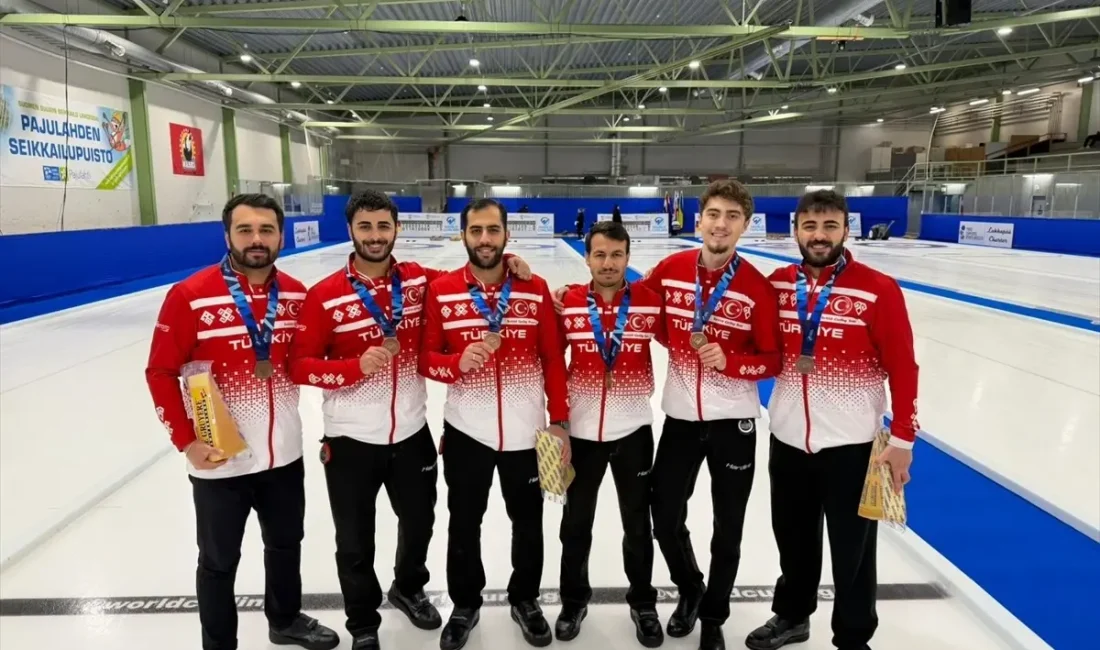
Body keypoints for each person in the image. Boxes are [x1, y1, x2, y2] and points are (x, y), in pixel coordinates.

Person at [287, 190, 531, 650]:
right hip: (351, 440)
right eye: (366, 227)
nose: (375, 236)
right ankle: (362, 622)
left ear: (396, 229)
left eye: (383, 226)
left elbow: (474, 274)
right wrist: (350, 369)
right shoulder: (324, 296)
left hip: (412, 434)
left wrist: (510, 259)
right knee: (355, 539)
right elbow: (299, 365)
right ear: (351, 231)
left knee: (420, 523)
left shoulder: (421, 282)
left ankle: (408, 587)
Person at [145, 193, 340, 650]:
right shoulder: (190, 295)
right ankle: (219, 643)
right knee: (217, 561)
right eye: (246, 230)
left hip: (283, 454)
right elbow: (159, 372)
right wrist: (187, 442)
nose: (257, 240)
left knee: (286, 544)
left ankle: (285, 619)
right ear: (227, 234)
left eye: (266, 230)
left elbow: (314, 357)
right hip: (219, 460)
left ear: (281, 235)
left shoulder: (296, 295)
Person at [745, 190, 919, 650]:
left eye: (829, 227)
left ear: (846, 228)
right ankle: (792, 616)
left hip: (854, 444)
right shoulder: (777, 284)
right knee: (794, 539)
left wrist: (903, 438)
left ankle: (853, 636)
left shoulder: (878, 288)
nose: (819, 236)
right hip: (788, 439)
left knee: (853, 551)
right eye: (810, 227)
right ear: (795, 230)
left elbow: (904, 367)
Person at [637, 179, 782, 650]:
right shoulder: (671, 268)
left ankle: (714, 615)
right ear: (699, 219)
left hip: (734, 423)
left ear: (744, 224)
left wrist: (733, 364)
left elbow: (774, 359)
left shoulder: (756, 286)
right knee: (663, 515)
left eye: (732, 217)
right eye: (714, 214)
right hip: (680, 418)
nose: (721, 224)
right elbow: (637, 309)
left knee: (729, 526)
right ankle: (692, 588)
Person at [419, 198, 571, 650]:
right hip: (468, 432)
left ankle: (525, 600)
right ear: (463, 235)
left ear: (506, 235)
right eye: (475, 231)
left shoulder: (534, 286)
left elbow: (552, 359)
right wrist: (456, 363)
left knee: (528, 523)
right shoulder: (442, 289)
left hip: (529, 434)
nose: (484, 239)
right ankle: (464, 603)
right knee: (464, 522)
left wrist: (559, 421)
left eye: (492, 230)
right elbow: (426, 360)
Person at [554, 220, 665, 647]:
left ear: (627, 258)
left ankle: (643, 604)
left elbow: (679, 341)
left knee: (637, 525)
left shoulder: (650, 303)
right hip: (580, 435)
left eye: (616, 255)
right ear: (586, 258)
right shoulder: (569, 304)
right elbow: (550, 360)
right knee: (575, 524)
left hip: (633, 431)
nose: (608, 263)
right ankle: (573, 600)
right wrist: (558, 420)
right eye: (599, 254)